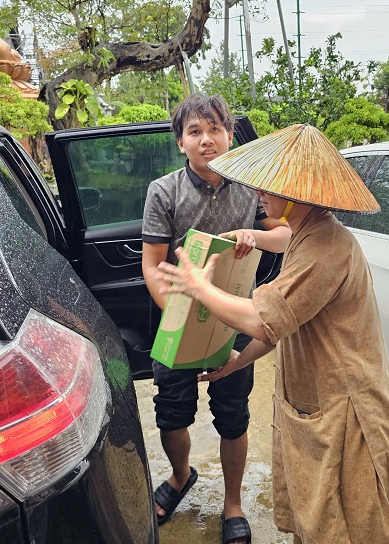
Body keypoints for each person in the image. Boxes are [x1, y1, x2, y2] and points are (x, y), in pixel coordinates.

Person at [154, 124, 389, 544]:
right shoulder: (304, 234)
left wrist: (199, 289)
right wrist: (238, 362)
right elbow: (283, 323)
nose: (259, 194)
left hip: (346, 413)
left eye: (269, 186)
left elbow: (262, 320)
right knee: (320, 519)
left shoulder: (326, 247)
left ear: (297, 192)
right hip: (321, 403)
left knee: (353, 524)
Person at [141, 93, 291, 544]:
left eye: (215, 130)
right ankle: (180, 475)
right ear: (180, 143)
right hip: (177, 321)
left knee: (233, 416)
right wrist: (184, 318)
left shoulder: (251, 190)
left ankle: (233, 504)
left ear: (230, 136)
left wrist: (254, 235)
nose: (207, 140)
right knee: (170, 415)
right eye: (195, 132)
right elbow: (151, 266)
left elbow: (285, 235)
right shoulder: (163, 191)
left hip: (237, 322)